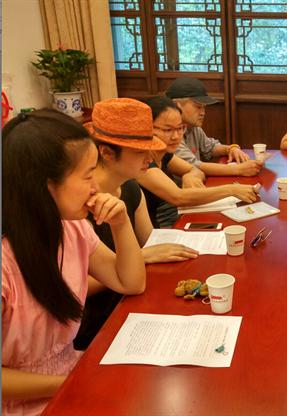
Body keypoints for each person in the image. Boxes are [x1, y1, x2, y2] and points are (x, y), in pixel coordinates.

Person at [2, 110, 146, 415]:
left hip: (73, 374)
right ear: (45, 185)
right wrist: (71, 382)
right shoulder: (5, 261)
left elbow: (130, 282)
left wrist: (121, 223)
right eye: (87, 175)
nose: (96, 187)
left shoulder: (72, 228)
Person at [73, 98, 200, 351]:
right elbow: (73, 287)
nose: (150, 157)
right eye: (140, 151)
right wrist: (142, 257)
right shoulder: (75, 207)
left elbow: (152, 243)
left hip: (134, 302)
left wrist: (148, 255)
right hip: (94, 326)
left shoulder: (130, 188)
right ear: (107, 153)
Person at [136, 96, 260, 227]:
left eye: (180, 128)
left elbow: (194, 169)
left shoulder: (165, 154)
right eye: (168, 130)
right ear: (146, 128)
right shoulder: (141, 162)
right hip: (161, 227)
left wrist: (188, 175)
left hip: (178, 215)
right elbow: (178, 197)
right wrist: (232, 190)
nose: (176, 136)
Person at [166, 77, 262, 177]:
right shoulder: (169, 133)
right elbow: (192, 166)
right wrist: (239, 169)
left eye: (204, 107)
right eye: (198, 107)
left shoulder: (193, 127)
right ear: (176, 105)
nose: (203, 113)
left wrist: (231, 149)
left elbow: (210, 147)